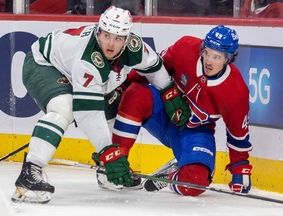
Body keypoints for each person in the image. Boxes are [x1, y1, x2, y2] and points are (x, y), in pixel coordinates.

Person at [12, 6, 189, 203]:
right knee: (65, 106)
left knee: (114, 105)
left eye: (118, 38)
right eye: (106, 35)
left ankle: (106, 173)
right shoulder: (87, 58)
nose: (111, 44)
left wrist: (168, 90)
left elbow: (154, 67)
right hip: (45, 64)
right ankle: (31, 170)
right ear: (99, 32)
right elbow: (88, 113)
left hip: (74, 70)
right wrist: (107, 151)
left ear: (127, 38)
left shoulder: (134, 47)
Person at [95, 25, 253, 196]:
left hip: (195, 133)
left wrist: (240, 169)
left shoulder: (236, 92)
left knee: (195, 183)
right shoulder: (185, 48)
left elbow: (238, 134)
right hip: (163, 112)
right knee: (135, 94)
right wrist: (121, 88)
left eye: (216, 57)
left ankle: (173, 174)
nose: (208, 61)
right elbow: (153, 69)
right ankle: (115, 163)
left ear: (228, 58)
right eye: (206, 52)